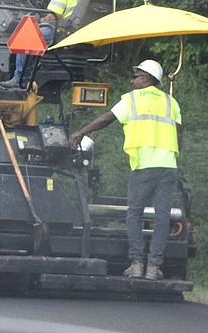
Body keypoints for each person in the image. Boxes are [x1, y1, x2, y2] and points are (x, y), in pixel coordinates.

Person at [69, 60, 182, 281]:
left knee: (135, 214)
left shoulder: (132, 99)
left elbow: (107, 118)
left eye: (136, 76)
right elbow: (179, 136)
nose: (132, 81)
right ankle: (153, 268)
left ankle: (137, 264)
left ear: (147, 79)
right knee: (161, 218)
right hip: (168, 166)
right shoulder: (171, 102)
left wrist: (80, 132)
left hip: (144, 166)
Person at [0, 0, 95, 89]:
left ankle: (19, 79)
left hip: (64, 31)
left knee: (25, 36)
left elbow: (55, 15)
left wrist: (42, 20)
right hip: (83, 32)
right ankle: (33, 71)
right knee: (34, 34)